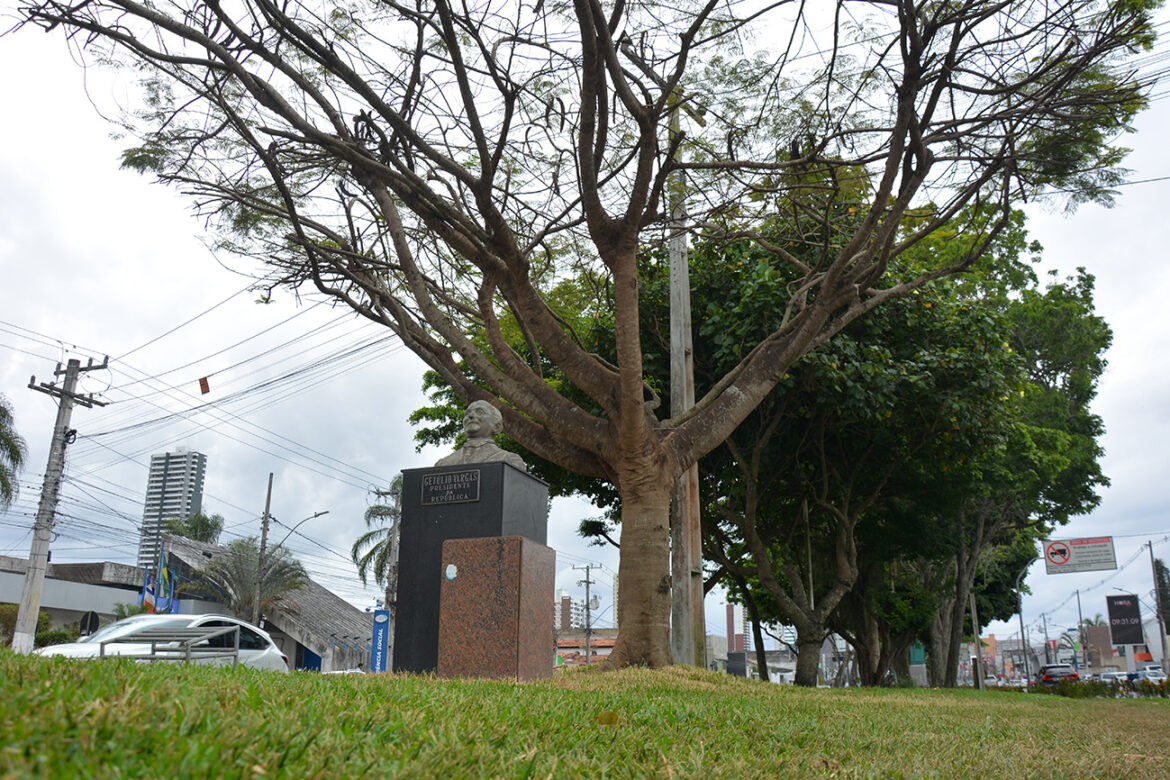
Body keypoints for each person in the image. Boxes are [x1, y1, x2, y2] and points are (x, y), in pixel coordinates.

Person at [434, 400, 527, 472]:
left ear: (497, 427)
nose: (470, 416)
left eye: (480, 412)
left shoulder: (509, 460)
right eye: (467, 413)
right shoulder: (443, 464)